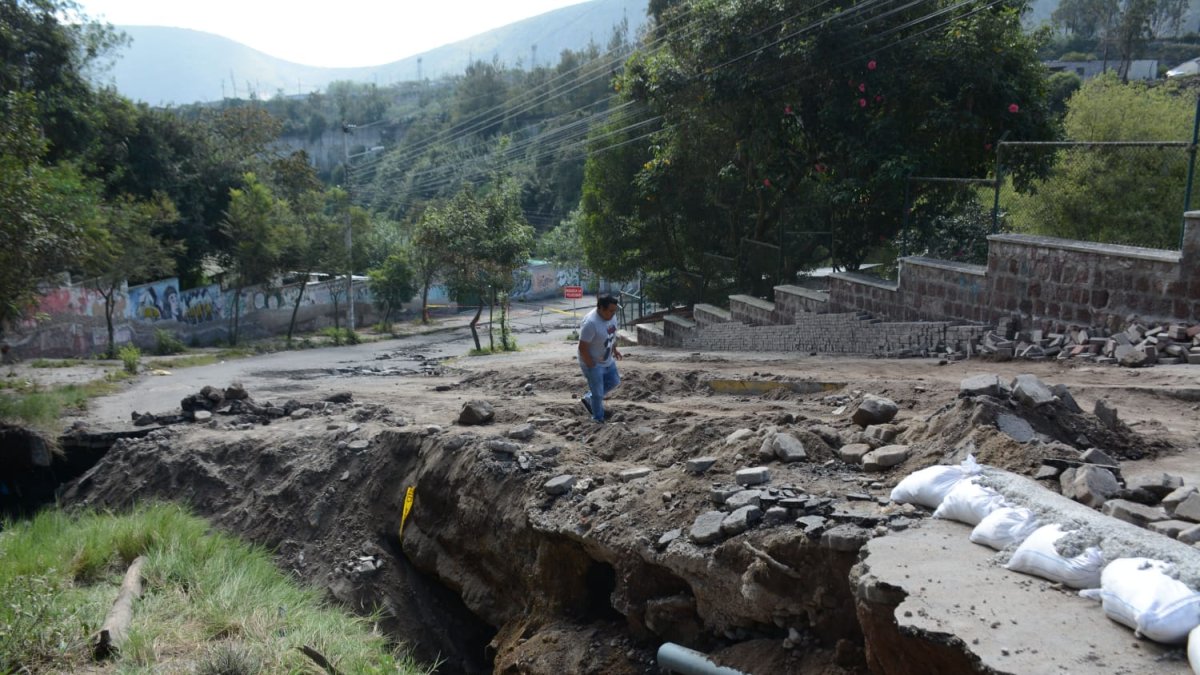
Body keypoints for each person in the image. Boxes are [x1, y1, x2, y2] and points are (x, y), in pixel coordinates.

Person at [578, 294, 622, 422]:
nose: (613, 314)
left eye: (615, 310)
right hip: (593, 362)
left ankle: (588, 398)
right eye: (610, 310)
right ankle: (598, 418)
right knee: (598, 394)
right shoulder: (591, 323)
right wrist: (591, 365)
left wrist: (614, 349)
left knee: (614, 381)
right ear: (601, 308)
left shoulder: (612, 317)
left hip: (607, 359)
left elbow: (612, 335)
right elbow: (582, 347)